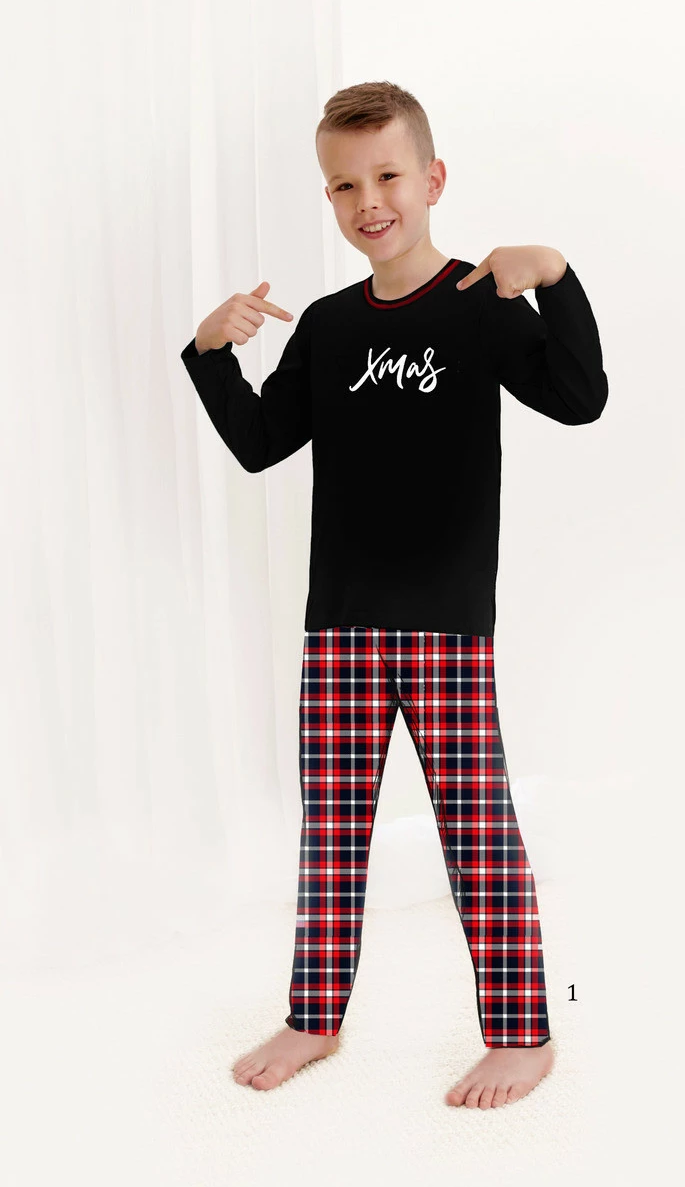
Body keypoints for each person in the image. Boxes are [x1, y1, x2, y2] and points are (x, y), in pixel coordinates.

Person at [180, 80, 608, 1109]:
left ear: (432, 179)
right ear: (328, 196)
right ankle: (313, 1017)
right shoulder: (328, 327)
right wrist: (210, 353)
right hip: (340, 624)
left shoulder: (480, 303)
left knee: (476, 832)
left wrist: (555, 277)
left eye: (388, 176)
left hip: (448, 622)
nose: (369, 200)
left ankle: (523, 1033)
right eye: (345, 184)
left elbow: (580, 398)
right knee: (331, 833)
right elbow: (260, 442)